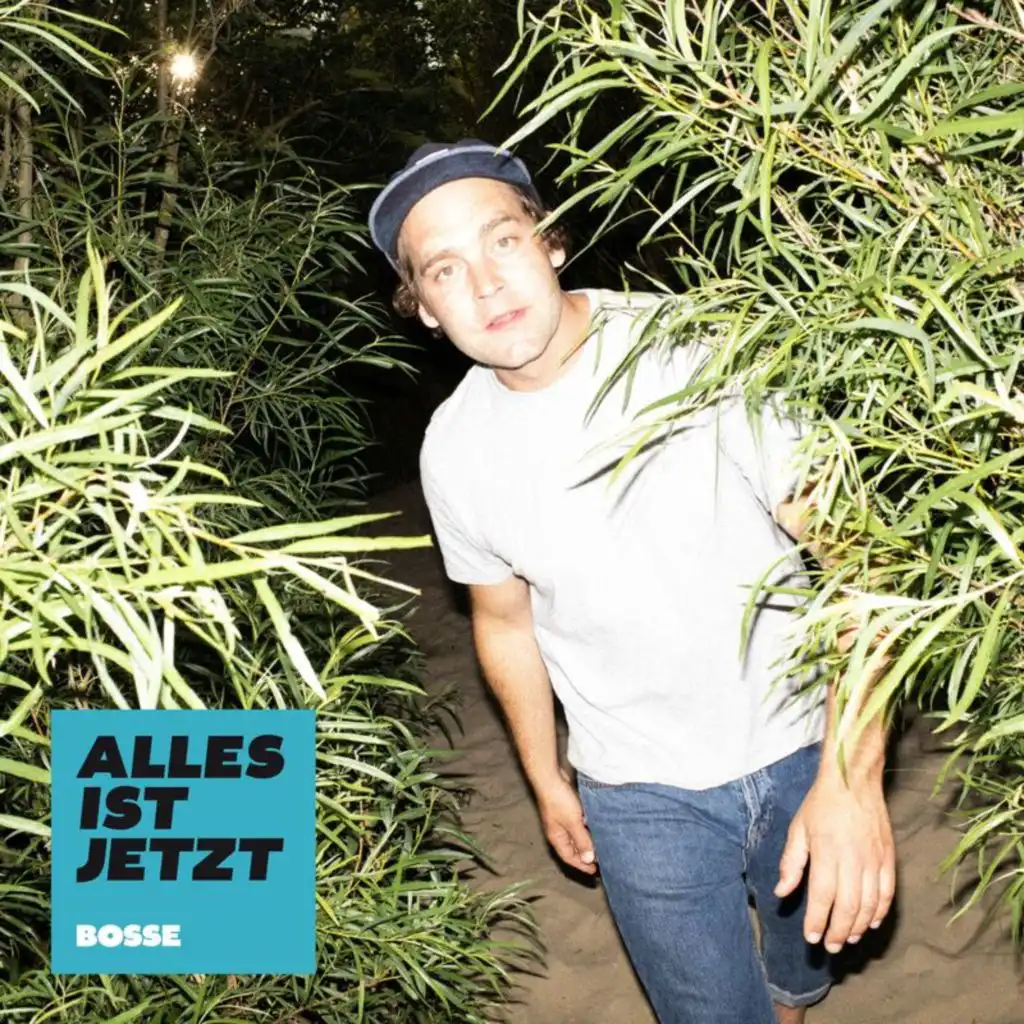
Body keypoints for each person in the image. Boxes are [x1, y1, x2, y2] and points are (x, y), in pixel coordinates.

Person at [368, 139, 895, 1024]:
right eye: (445, 270)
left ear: (550, 242)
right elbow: (503, 621)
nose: (487, 285)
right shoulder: (453, 451)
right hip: (634, 792)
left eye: (502, 241)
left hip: (805, 737)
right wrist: (544, 776)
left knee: (796, 978)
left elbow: (865, 559)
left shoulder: (696, 347)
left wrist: (852, 778)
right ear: (422, 307)